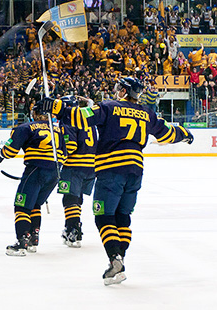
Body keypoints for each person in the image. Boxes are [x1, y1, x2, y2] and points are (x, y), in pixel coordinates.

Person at [44, 76, 193, 285]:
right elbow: (167, 133)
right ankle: (119, 261)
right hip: (136, 170)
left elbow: (81, 117)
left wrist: (56, 106)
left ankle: (115, 259)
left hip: (111, 169)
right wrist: (186, 134)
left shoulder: (109, 107)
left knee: (104, 216)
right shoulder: (147, 113)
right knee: (123, 216)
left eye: (119, 88)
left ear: (124, 91)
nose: (116, 91)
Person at [0, 100, 65, 256]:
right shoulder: (58, 130)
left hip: (36, 169)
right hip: (55, 172)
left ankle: (22, 242)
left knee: (22, 206)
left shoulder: (26, 127)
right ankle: (33, 239)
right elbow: (65, 154)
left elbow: (10, 151)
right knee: (35, 204)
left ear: (35, 113)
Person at [58, 95, 97, 248]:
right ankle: (70, 228)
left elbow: (71, 146)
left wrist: (58, 155)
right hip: (91, 166)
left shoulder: (68, 119)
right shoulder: (87, 118)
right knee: (77, 198)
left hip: (75, 166)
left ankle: (74, 230)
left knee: (70, 199)